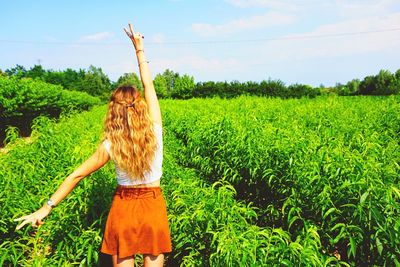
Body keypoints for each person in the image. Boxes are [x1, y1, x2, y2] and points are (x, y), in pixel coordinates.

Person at [14, 23, 172, 267]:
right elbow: (148, 85)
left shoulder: (112, 144)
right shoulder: (155, 131)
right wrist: (139, 48)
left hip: (124, 209)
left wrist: (45, 208)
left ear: (113, 112)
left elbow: (76, 175)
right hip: (153, 206)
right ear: (140, 108)